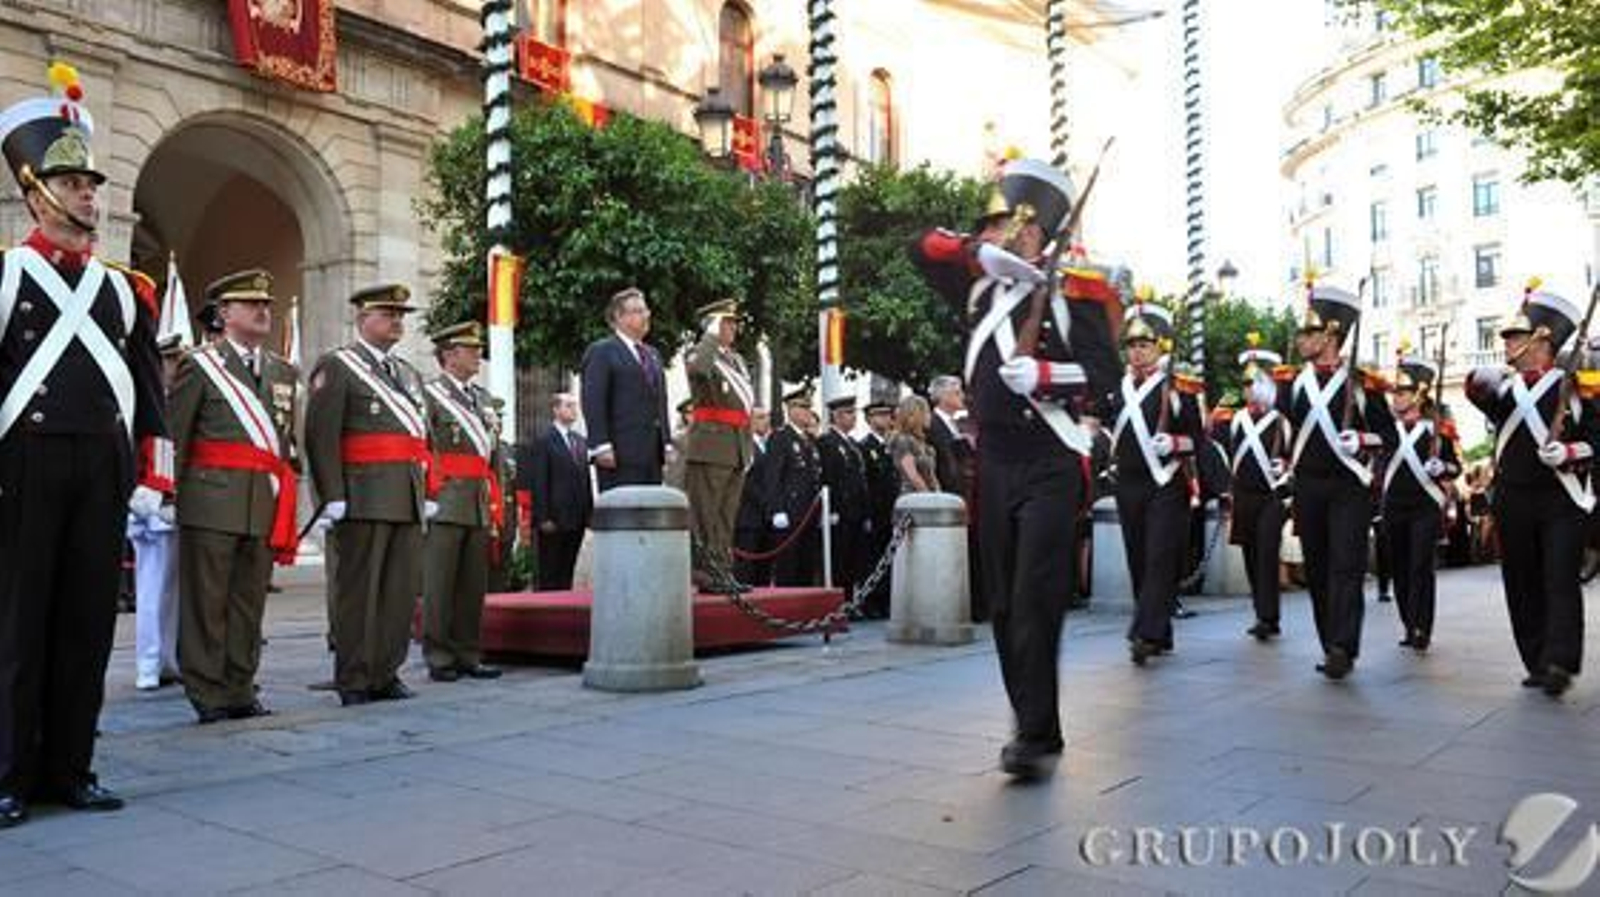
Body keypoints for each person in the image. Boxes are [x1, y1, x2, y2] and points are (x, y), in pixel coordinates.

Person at [910, 157, 1120, 778]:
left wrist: (1049, 376)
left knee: (1035, 593)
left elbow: (1107, 380)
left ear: (1045, 233)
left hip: (1050, 459)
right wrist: (978, 252)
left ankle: (1031, 731)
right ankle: (1036, 723)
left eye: (1021, 228)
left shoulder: (1072, 295)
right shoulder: (979, 286)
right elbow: (919, 247)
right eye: (1001, 225)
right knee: (1002, 599)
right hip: (994, 461)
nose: (1010, 235)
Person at [1, 63, 167, 825]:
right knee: (18, 622)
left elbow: (152, 396)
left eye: (92, 186)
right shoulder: (6, 279)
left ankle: (71, 766)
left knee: (86, 622)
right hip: (23, 466)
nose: (88, 197)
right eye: (72, 186)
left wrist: (151, 477)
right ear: (34, 191)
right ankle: (9, 772)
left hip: (100, 471)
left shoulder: (125, 290)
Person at [168, 269, 301, 723]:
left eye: (265, 303)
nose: (263, 310)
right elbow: (176, 436)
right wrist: (167, 496)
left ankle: (240, 685)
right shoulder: (199, 365)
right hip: (210, 500)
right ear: (224, 313)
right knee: (207, 602)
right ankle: (206, 691)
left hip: (261, 502)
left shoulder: (283, 371)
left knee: (248, 602)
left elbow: (285, 445)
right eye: (251, 304)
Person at [304, 283, 430, 707]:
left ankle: (384, 672)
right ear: (362, 318)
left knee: (398, 593)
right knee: (359, 593)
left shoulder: (408, 374)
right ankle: (355, 677)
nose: (396, 321)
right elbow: (321, 436)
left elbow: (419, 441)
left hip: (405, 496)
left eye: (400, 315)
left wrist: (426, 490)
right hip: (361, 496)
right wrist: (331, 494)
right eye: (387, 313)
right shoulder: (338, 366)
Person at [1466, 286, 1596, 697]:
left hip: (1562, 498)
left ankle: (1560, 660)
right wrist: (1481, 381)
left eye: (1515, 337)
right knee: (1521, 580)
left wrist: (1572, 450)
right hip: (1513, 499)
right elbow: (1477, 393)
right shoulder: (1505, 388)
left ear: (1542, 339)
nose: (1507, 344)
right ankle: (1536, 660)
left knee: (1559, 577)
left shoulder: (1578, 387)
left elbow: (1598, 437)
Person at [1279, 282, 1395, 680]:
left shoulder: (1362, 384)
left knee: (1345, 566)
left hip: (1349, 487)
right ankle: (1330, 640)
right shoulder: (1294, 383)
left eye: (1309, 333)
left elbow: (1389, 436)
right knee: (1319, 566)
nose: (1301, 340)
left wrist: (1362, 438)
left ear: (1331, 336)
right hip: (1309, 486)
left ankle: (1343, 646)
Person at [1108, 303, 1204, 665]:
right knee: (1138, 557)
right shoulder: (1119, 388)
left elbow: (1199, 438)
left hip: (1167, 481)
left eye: (1144, 345)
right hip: (1130, 481)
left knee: (1160, 556)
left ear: (1159, 347)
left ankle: (1145, 632)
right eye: (1131, 345)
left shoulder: (1178, 385)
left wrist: (1176, 443)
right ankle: (1159, 630)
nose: (1136, 352)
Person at [420, 321, 503, 683]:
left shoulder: (483, 399)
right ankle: (439, 656)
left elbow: (493, 455)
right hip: (446, 499)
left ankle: (468, 653)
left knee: (472, 585)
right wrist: (428, 495)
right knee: (440, 583)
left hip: (477, 499)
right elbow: (423, 449)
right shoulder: (429, 394)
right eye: (470, 350)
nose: (477, 355)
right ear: (450, 355)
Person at [1381, 355, 1458, 653]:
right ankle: (1408, 623)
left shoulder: (1438, 430)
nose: (1396, 398)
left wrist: (1443, 469)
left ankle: (1421, 626)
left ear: (1418, 395)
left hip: (1425, 506)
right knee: (1400, 566)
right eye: (1395, 393)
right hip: (1394, 505)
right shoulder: (1388, 429)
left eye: (1401, 393)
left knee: (1419, 567)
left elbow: (1455, 468)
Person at [684, 299, 755, 592]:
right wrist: (710, 336)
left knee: (726, 514)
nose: (733, 328)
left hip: (736, 445)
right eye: (726, 322)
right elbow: (699, 371)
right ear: (712, 325)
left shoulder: (735, 360)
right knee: (706, 513)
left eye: (733, 323)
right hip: (711, 446)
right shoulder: (700, 353)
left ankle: (723, 570)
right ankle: (704, 572)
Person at [129, 334, 185, 691]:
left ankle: (168, 659)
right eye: (170, 362)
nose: (175, 369)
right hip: (149, 507)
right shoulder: (144, 402)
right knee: (152, 590)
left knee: (173, 591)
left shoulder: (174, 402)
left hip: (175, 505)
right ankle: (149, 663)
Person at [1229, 343, 1292, 641]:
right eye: (1245, 384)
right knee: (1251, 556)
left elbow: (1297, 456)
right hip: (1243, 497)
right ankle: (1261, 612)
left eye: (1252, 383)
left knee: (1267, 553)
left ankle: (1269, 617)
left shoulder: (1283, 420)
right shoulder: (1233, 419)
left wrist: (1286, 467)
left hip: (1271, 497)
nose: (1247, 390)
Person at [580, 286, 669, 492]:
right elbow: (594, 401)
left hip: (651, 454)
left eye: (645, 310)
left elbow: (660, 402)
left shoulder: (652, 354)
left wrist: (666, 442)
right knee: (623, 515)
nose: (646, 316)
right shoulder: (603, 351)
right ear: (619, 317)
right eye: (638, 311)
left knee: (648, 514)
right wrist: (600, 445)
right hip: (620, 453)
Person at [527, 392, 592, 590]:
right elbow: (539, 480)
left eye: (575, 406)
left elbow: (585, 480)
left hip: (577, 517)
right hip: (554, 518)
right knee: (550, 570)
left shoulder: (580, 441)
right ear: (556, 410)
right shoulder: (544, 440)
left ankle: (563, 611)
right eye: (568, 405)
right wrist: (543, 516)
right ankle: (546, 613)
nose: (574, 410)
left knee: (567, 569)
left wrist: (589, 513)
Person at [763, 386, 823, 586]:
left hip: (809, 512)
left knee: (807, 564)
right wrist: (777, 509)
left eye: (809, 407)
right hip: (790, 512)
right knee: (788, 566)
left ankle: (805, 610)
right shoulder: (780, 438)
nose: (808, 412)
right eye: (803, 407)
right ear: (791, 410)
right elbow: (772, 478)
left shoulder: (810, 440)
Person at [817, 394, 870, 599]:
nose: (852, 417)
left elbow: (859, 481)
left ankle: (849, 601)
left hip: (855, 511)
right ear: (835, 417)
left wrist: (865, 512)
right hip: (840, 512)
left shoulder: (852, 444)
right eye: (848, 413)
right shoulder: (827, 442)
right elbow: (828, 479)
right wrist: (831, 510)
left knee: (852, 560)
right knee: (839, 560)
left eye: (853, 413)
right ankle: (840, 602)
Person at [859, 400, 899, 618]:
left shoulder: (892, 444)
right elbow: (865, 483)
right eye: (878, 416)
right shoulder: (865, 447)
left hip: (892, 509)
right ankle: (872, 602)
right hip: (876, 510)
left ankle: (887, 600)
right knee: (874, 557)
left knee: (890, 556)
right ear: (869, 420)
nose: (884, 419)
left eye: (887, 415)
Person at [733, 407, 774, 587]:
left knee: (763, 568)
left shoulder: (766, 445)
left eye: (766, 417)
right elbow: (747, 482)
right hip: (748, 516)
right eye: (760, 417)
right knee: (746, 567)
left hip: (763, 516)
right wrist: (767, 503)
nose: (765, 421)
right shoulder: (745, 444)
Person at [927, 375, 971, 498]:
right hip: (943, 494)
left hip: (961, 492)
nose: (962, 396)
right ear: (944, 397)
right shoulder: (931, 423)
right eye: (957, 393)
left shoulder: (957, 423)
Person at [888, 395, 939, 494]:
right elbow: (912, 476)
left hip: (929, 497)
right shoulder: (903, 441)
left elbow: (931, 475)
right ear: (915, 415)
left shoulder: (922, 442)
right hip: (913, 499)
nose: (929, 416)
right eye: (927, 412)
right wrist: (929, 497)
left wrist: (938, 493)